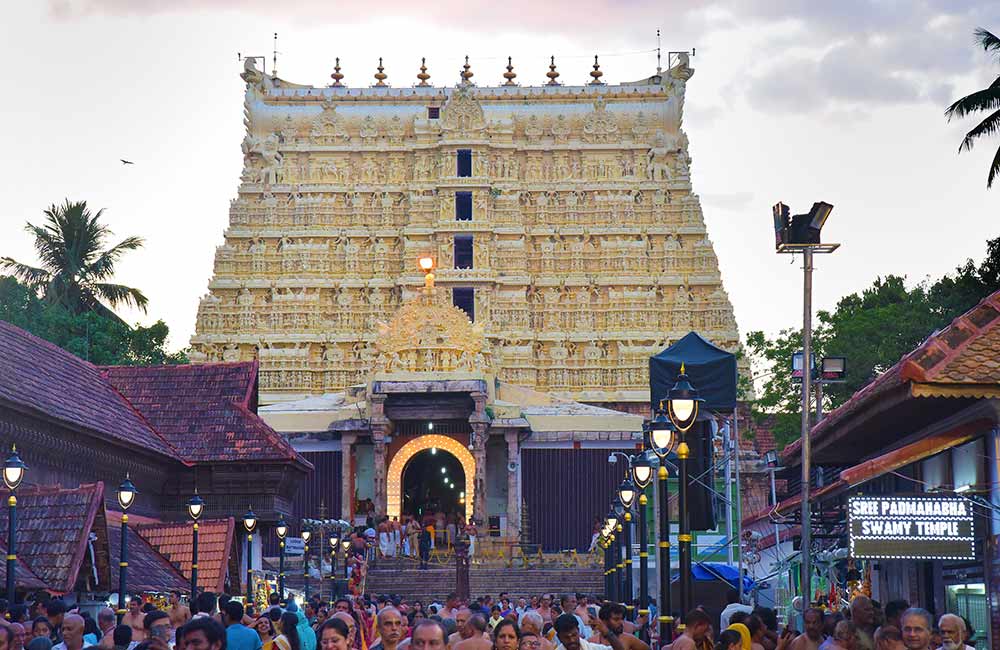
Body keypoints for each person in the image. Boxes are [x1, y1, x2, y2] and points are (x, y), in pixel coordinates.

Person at [553, 613, 622, 650]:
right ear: (559, 638)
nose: (572, 640)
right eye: (566, 637)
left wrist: (607, 632)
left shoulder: (592, 648)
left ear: (578, 631)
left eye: (574, 635)